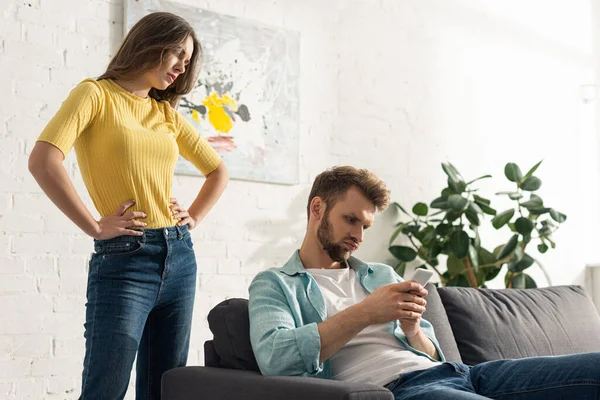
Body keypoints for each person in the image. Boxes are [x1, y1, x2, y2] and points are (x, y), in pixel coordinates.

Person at [248, 165, 600, 399]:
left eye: (365, 226)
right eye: (350, 219)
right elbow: (276, 358)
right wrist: (367, 312)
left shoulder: (380, 276)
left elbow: (433, 351)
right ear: (317, 209)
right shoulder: (276, 284)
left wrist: (414, 329)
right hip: (400, 390)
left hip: (462, 373)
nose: (358, 235)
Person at [28, 12, 229, 400]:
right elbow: (42, 160)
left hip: (180, 258)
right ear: (152, 42)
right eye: (177, 55)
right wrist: (94, 225)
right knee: (105, 389)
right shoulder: (95, 95)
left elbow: (217, 170)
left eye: (187, 63)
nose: (180, 68)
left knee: (164, 390)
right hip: (125, 258)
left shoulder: (166, 113)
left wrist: (194, 215)